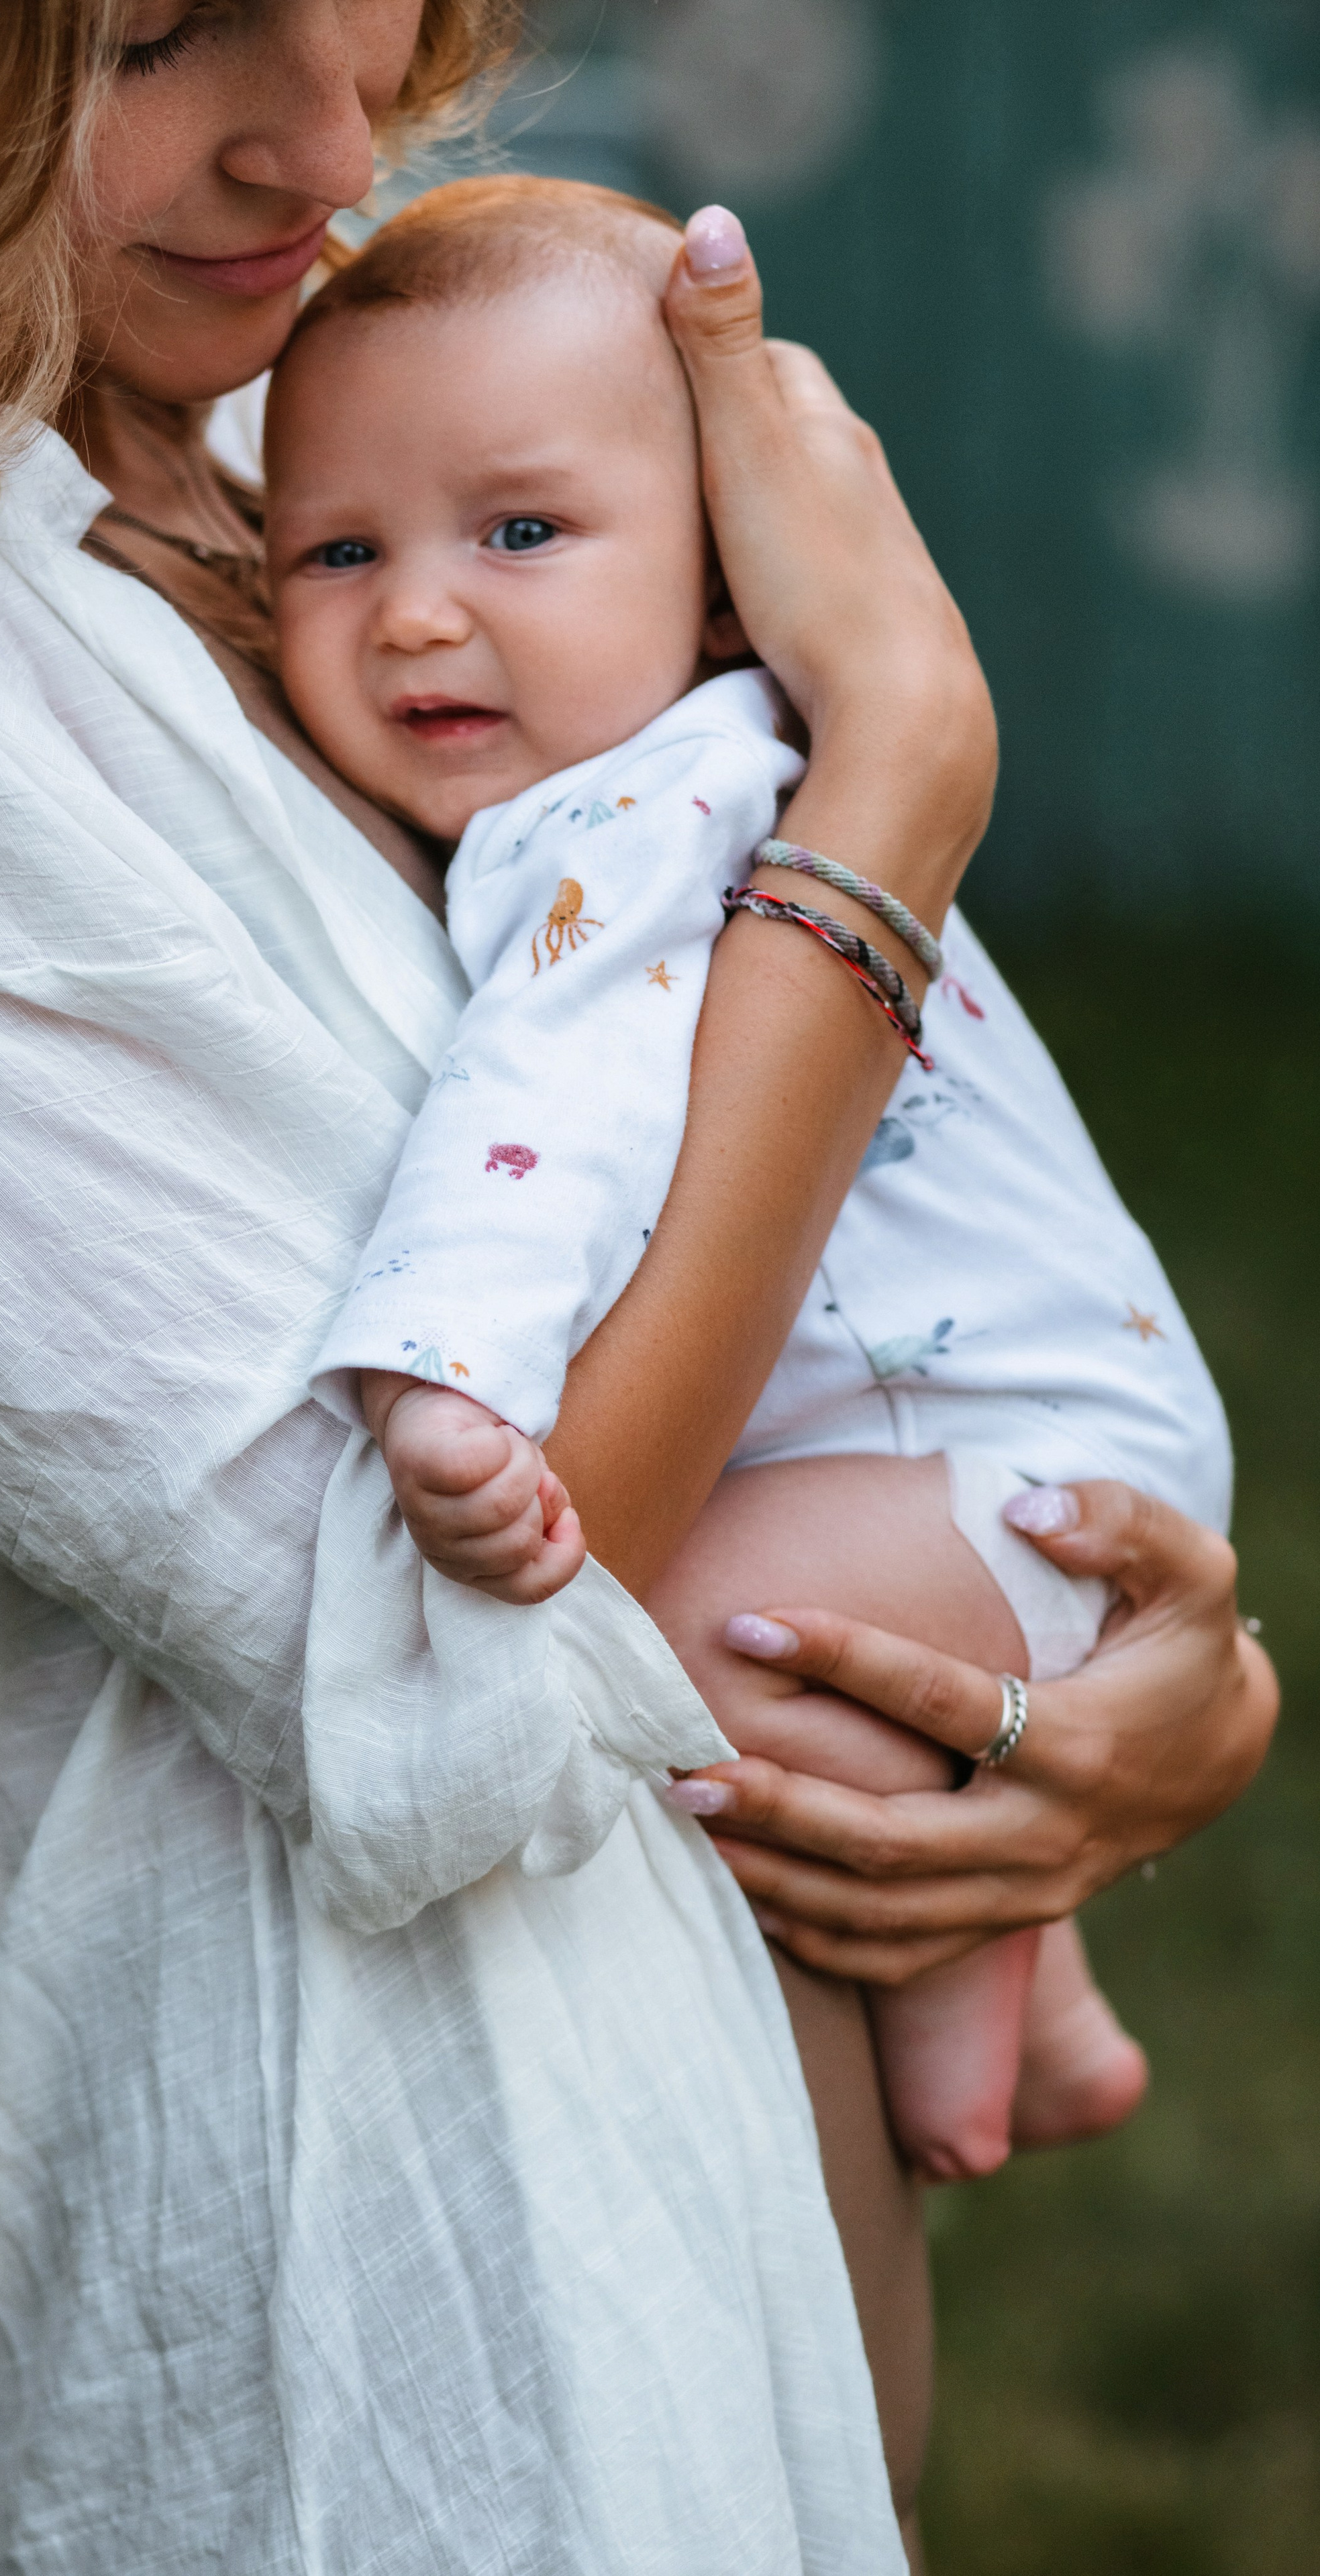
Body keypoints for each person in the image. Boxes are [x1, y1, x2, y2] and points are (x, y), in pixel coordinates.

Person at [0, 3, 1275, 2569]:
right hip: (334, 2302)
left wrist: (1104, 1735)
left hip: (638, 2191)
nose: (327, 139)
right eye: (161, 31)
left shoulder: (299, 439)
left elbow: (792, 1214)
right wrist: (903, 769)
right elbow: (434, 1656)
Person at [270, 174, 1229, 2180]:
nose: (421, 610)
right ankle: (1035, 2032)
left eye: (521, 534)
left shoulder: (624, 818)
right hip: (1030, 1436)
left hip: (993, 1461)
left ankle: (993, 2002)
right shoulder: (738, 753)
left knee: (685, 1654)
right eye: (336, 550)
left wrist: (448, 1375)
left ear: (719, 582)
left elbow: (555, 1115)